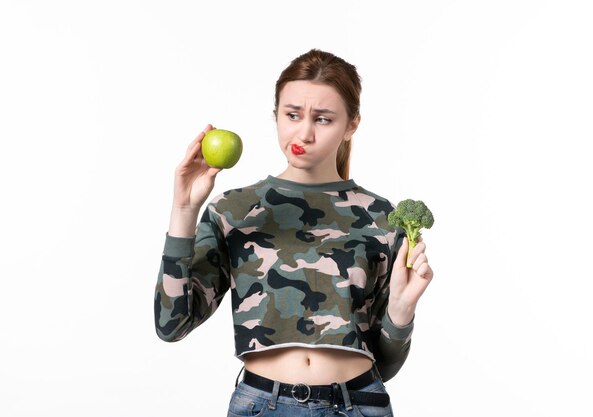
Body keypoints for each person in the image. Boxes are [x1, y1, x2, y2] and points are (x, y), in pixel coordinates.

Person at [154, 49, 434, 416]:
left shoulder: (383, 218)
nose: (304, 132)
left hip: (359, 404)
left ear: (351, 125)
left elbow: (387, 365)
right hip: (260, 405)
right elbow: (171, 324)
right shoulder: (234, 210)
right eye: (292, 115)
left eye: (323, 119)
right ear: (276, 117)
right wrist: (184, 210)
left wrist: (401, 310)